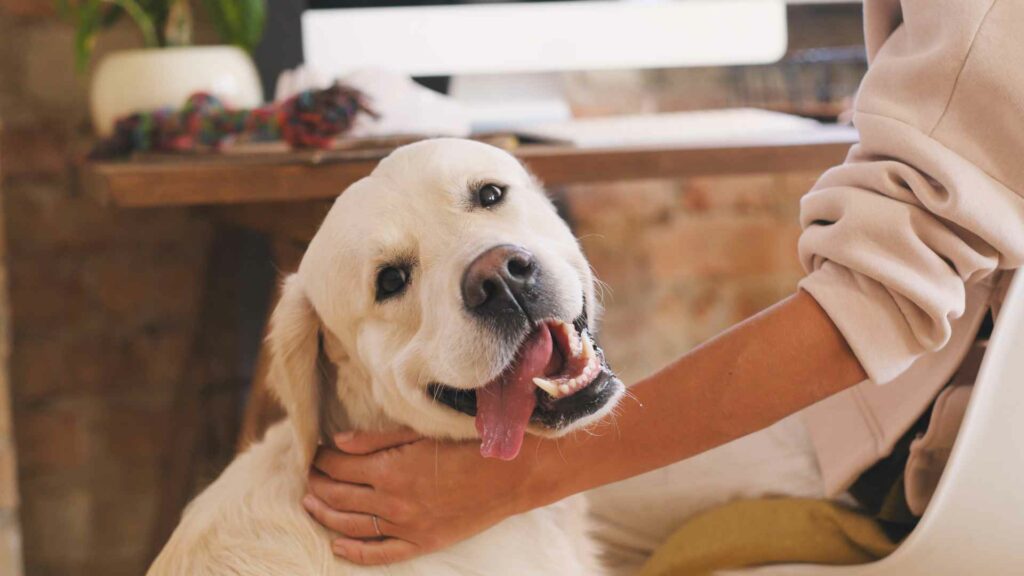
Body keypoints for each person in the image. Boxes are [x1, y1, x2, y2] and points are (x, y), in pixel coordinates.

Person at [301, 0, 1024, 570]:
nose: (497, 269)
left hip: (964, 448)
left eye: (492, 197)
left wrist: (515, 484)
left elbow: (882, 297)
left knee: (564, 524)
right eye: (394, 278)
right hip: (913, 396)